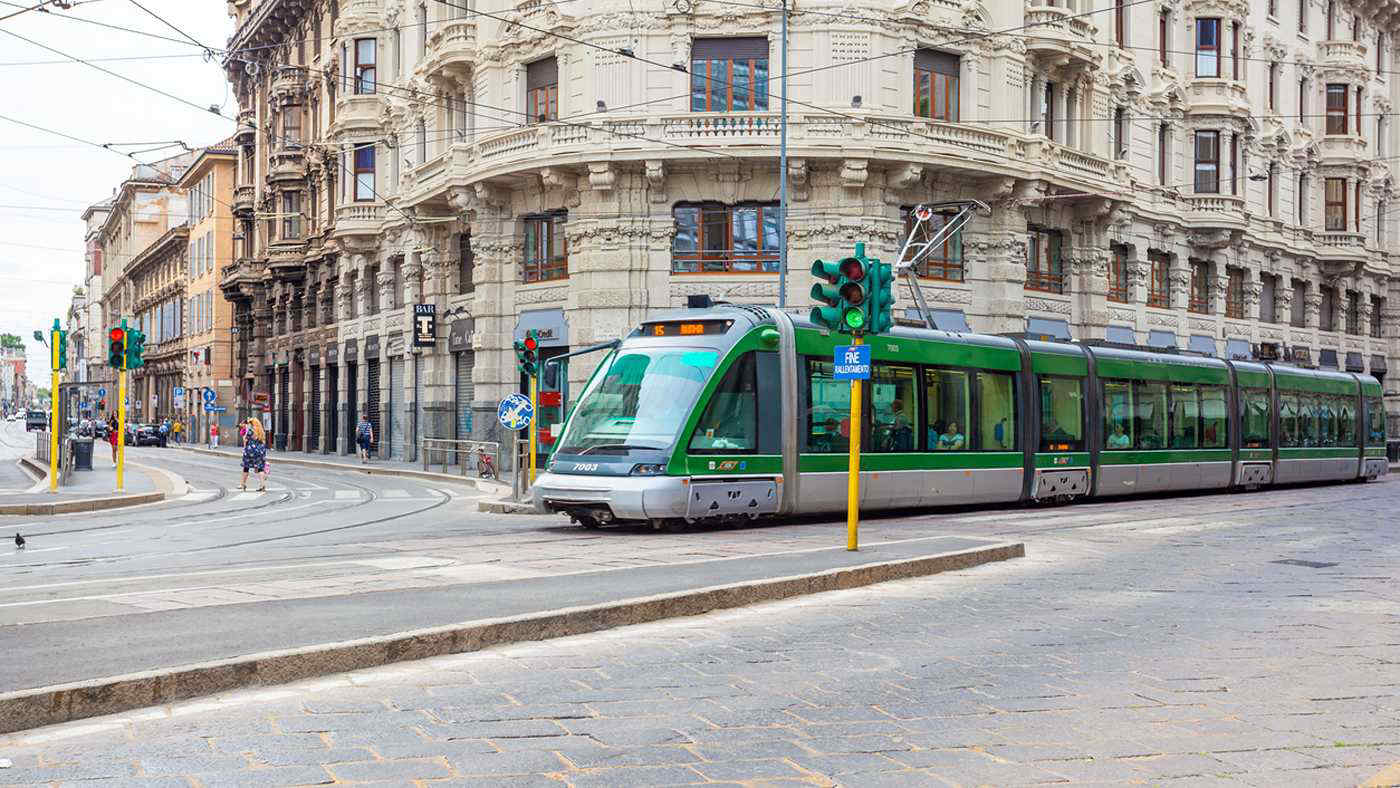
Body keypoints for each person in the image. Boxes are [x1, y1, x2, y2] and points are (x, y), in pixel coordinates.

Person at [240, 418, 268, 491]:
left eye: (249, 423)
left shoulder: (250, 431)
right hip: (260, 451)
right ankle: (262, 485)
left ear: (252, 424)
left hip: (250, 451)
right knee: (260, 468)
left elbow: (245, 440)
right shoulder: (261, 431)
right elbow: (263, 441)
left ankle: (243, 484)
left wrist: (244, 448)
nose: (248, 424)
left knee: (246, 468)